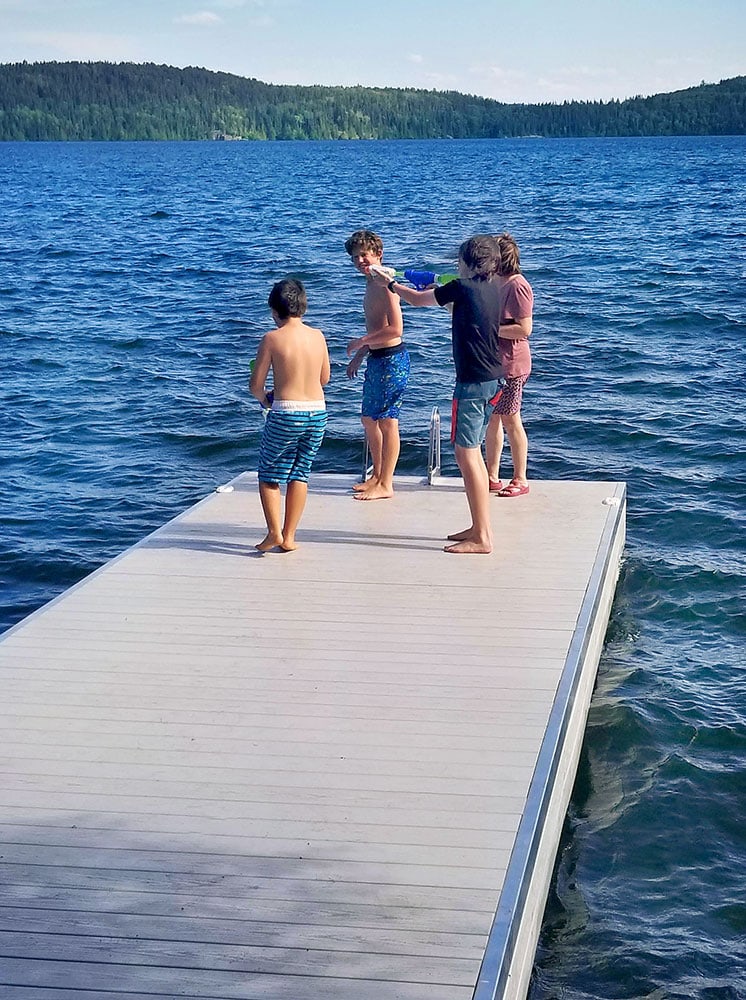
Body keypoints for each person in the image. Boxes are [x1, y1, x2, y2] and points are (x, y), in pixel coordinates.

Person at [373, 235, 502, 553]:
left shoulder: (461, 287)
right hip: (493, 379)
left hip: (471, 383)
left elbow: (418, 301)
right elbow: (456, 307)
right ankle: (477, 527)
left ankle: (483, 537)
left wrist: (391, 285)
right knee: (474, 453)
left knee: (466, 453)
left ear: (465, 264)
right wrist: (423, 281)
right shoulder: (495, 289)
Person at [249, 278, 330, 552]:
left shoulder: (272, 339)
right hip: (318, 412)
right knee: (300, 472)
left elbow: (255, 385)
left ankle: (274, 533)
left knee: (269, 474)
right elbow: (325, 378)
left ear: (274, 311)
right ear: (303, 308)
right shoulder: (318, 336)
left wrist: (265, 399)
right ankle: (290, 536)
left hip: (286, 413)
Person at [344, 229, 409, 501]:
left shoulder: (385, 284)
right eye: (355, 257)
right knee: (369, 419)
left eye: (364, 255)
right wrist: (362, 354)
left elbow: (396, 329)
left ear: (378, 254)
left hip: (393, 359)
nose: (360, 261)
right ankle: (377, 475)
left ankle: (386, 483)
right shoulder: (369, 283)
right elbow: (377, 323)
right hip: (377, 358)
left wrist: (361, 341)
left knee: (387, 421)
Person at [484, 233, 534, 497]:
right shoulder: (495, 283)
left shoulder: (517, 286)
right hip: (493, 363)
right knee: (492, 419)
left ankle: (520, 478)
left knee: (511, 419)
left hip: (512, 364)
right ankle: (492, 475)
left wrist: (490, 328)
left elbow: (524, 328)